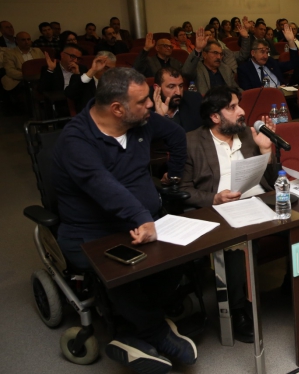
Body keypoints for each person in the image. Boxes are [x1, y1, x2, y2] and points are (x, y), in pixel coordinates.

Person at [53, 67, 196, 373]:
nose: (152, 104)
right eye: (143, 100)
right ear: (117, 109)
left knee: (184, 253)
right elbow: (101, 185)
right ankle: (155, 332)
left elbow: (176, 136)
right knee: (125, 267)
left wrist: (173, 177)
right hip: (92, 232)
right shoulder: (76, 140)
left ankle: (131, 333)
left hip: (143, 220)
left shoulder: (141, 120)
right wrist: (142, 217)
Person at [180, 85, 277, 343]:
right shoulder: (192, 142)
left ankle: (293, 287)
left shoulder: (247, 134)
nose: (241, 111)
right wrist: (215, 198)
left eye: (239, 104)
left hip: (260, 200)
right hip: (223, 209)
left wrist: (266, 150)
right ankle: (238, 310)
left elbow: (272, 179)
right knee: (237, 244)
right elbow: (183, 191)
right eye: (232, 107)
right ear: (215, 116)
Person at [237, 24, 299, 90]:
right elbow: (249, 92)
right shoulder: (244, 69)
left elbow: (294, 63)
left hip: (282, 93)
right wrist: (274, 91)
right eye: (262, 52)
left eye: (267, 52)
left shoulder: (270, 62)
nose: (265, 56)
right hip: (265, 95)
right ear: (253, 53)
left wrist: (291, 41)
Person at [181, 28, 241, 95]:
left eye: (221, 54)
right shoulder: (197, 70)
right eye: (215, 53)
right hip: (207, 101)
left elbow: (236, 88)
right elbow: (186, 72)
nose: (219, 57)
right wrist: (198, 49)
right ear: (204, 55)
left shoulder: (226, 69)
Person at [151, 67, 203, 132]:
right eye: (171, 87)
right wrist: (159, 117)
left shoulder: (194, 100)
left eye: (181, 86)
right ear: (157, 88)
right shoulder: (146, 107)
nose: (178, 92)